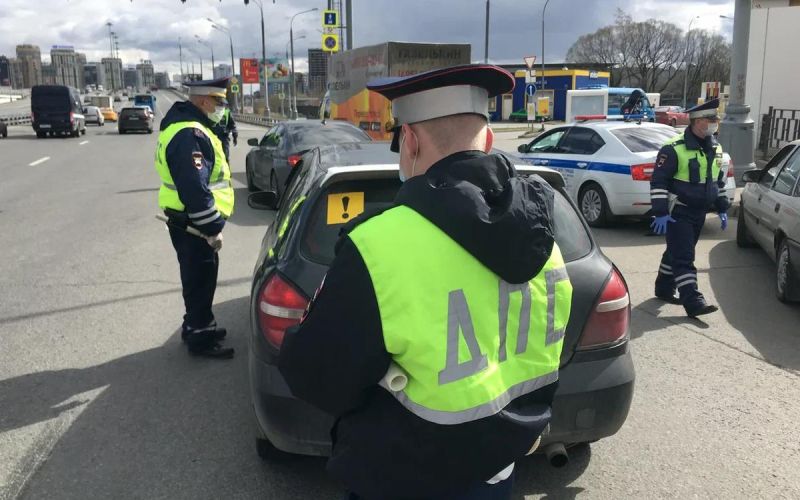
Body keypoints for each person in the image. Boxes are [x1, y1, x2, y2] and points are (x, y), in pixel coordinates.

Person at [278, 64, 573, 499]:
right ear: (488, 140)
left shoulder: (378, 245)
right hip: (500, 472)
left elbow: (318, 378)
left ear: (411, 141)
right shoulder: (547, 228)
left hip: (406, 478)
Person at [154, 77, 235, 359]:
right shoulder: (190, 134)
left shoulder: (192, 127)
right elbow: (194, 188)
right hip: (194, 224)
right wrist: (212, 227)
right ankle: (200, 339)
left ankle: (199, 325)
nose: (223, 107)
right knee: (199, 279)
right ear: (203, 101)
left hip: (189, 222)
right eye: (219, 101)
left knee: (199, 277)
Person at [650, 98, 729, 318]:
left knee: (675, 251)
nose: (716, 122)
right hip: (679, 212)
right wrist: (661, 212)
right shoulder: (674, 149)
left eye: (716, 118)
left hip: (699, 213)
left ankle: (664, 288)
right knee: (685, 257)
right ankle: (693, 301)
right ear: (697, 121)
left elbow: (717, 181)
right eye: (711, 119)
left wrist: (722, 207)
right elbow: (659, 182)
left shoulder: (715, 147)